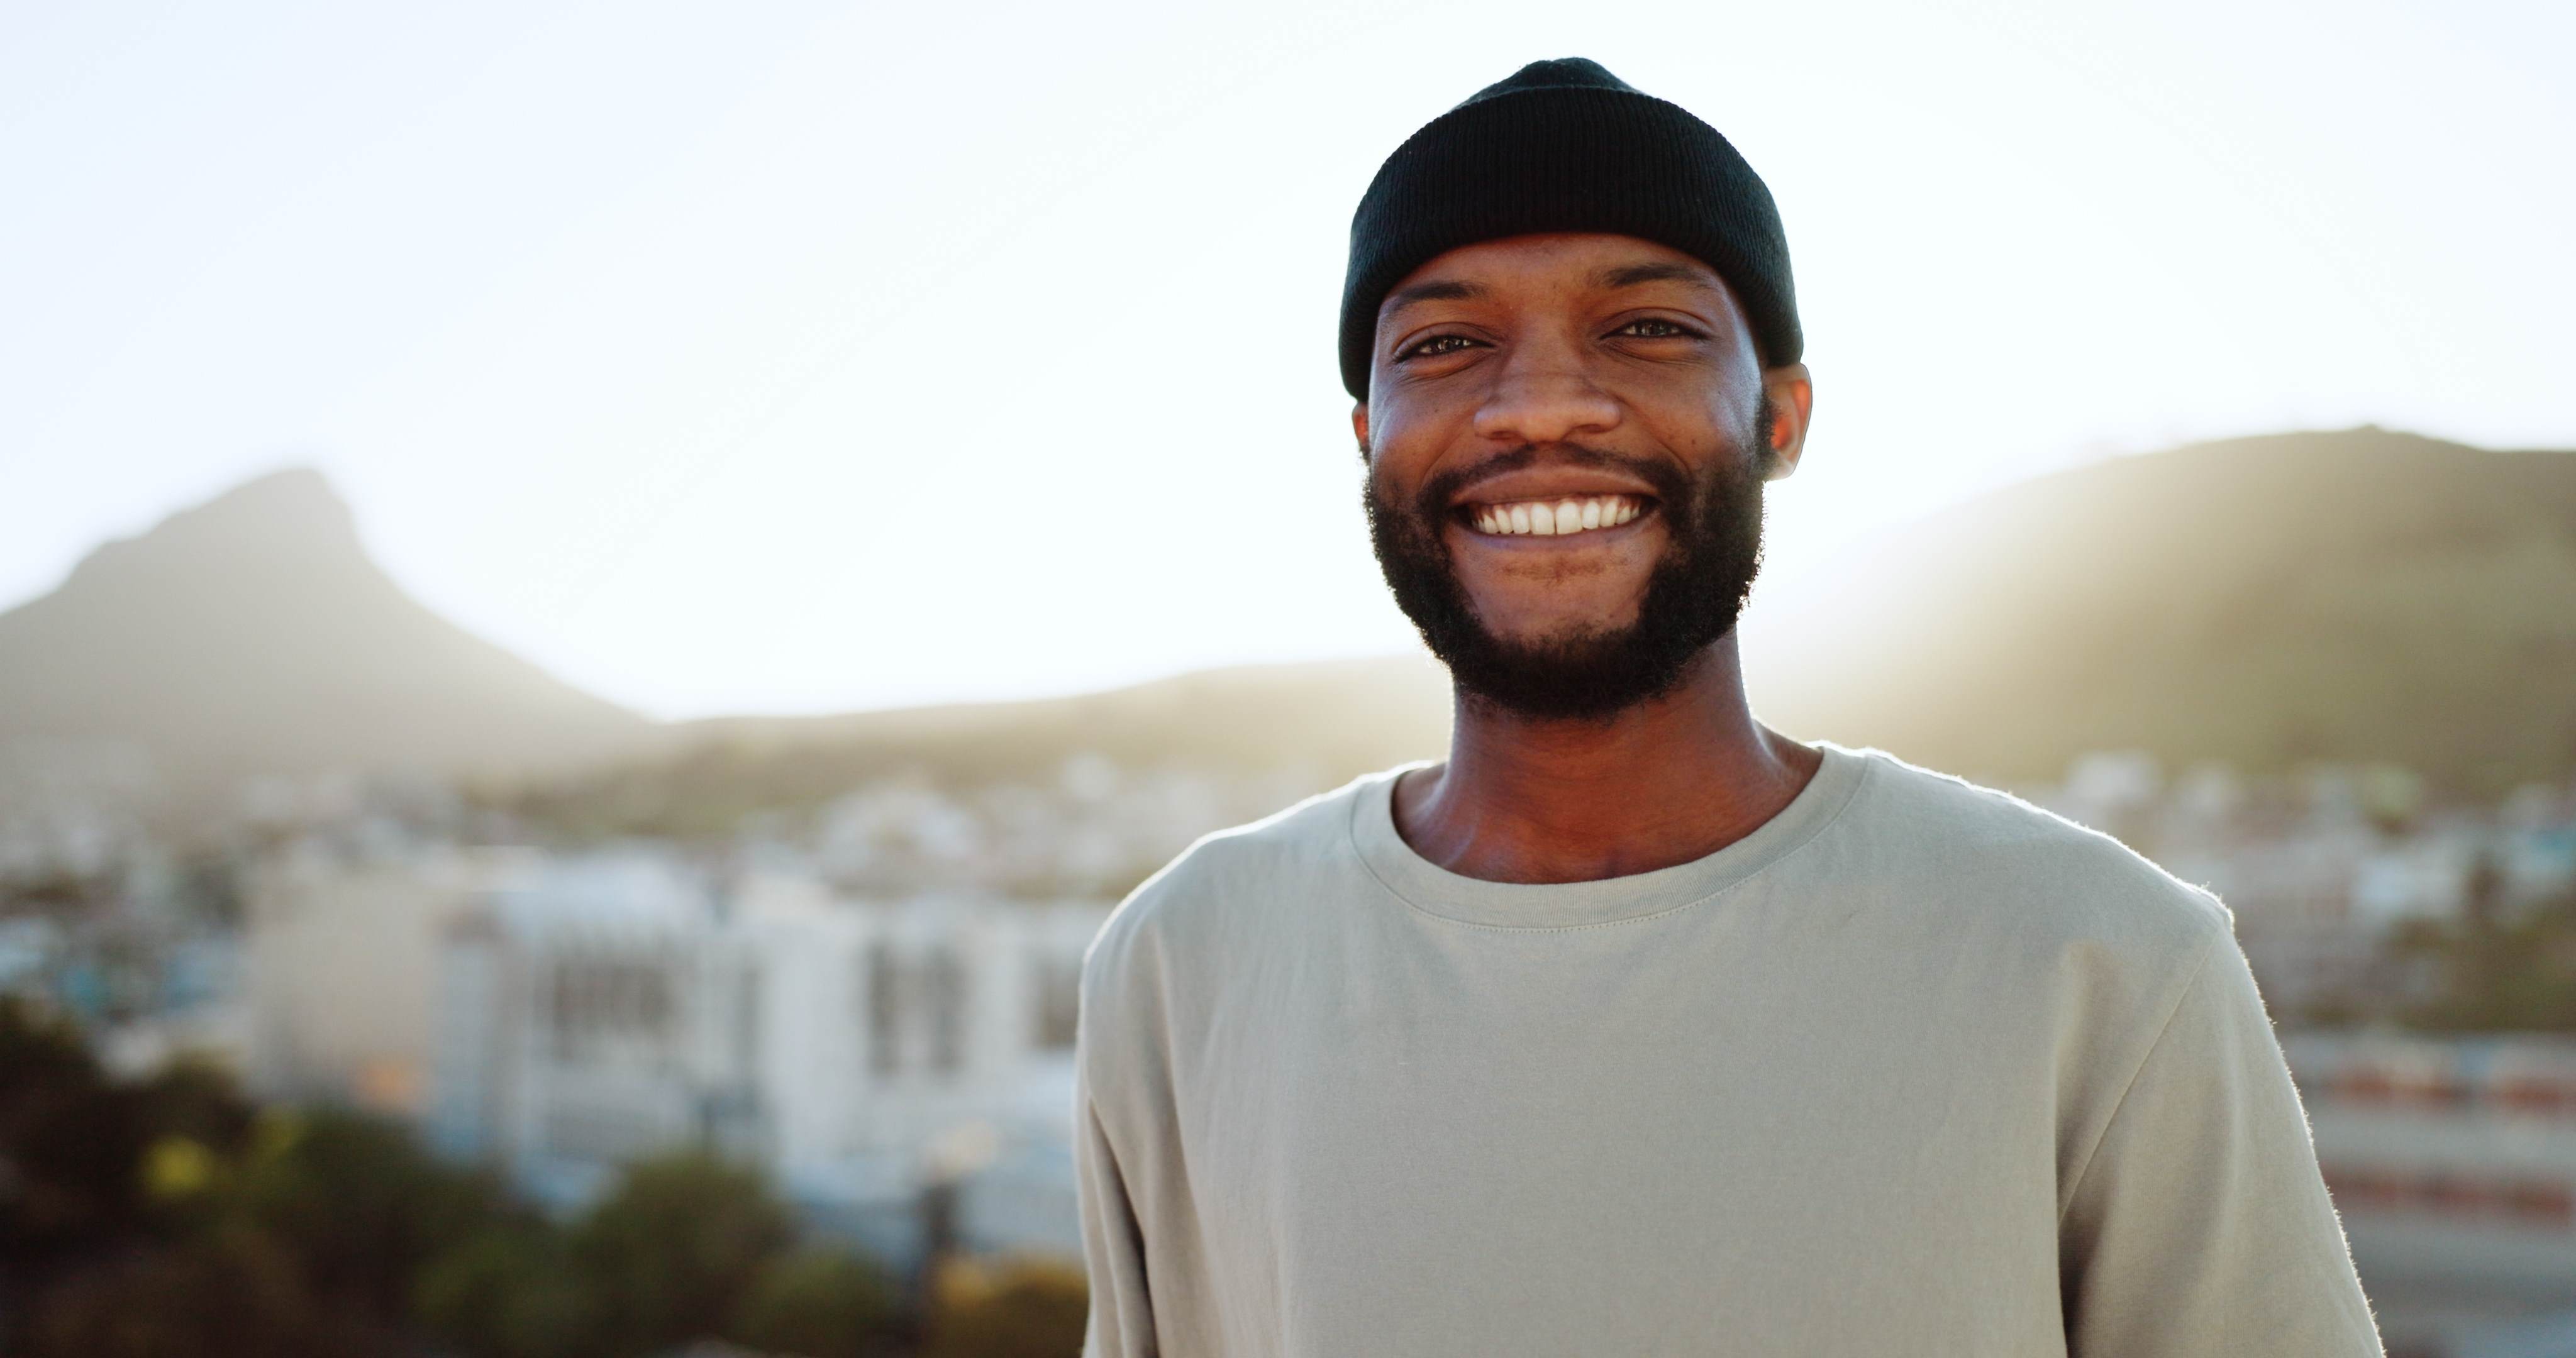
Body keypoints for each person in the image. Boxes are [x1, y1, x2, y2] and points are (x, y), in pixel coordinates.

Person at [1072, 57, 2383, 1357]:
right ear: (1368, 435)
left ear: (1780, 418)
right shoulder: (1186, 964)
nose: (1536, 405)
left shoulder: (2097, 961)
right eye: (1443, 343)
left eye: (1646, 328)